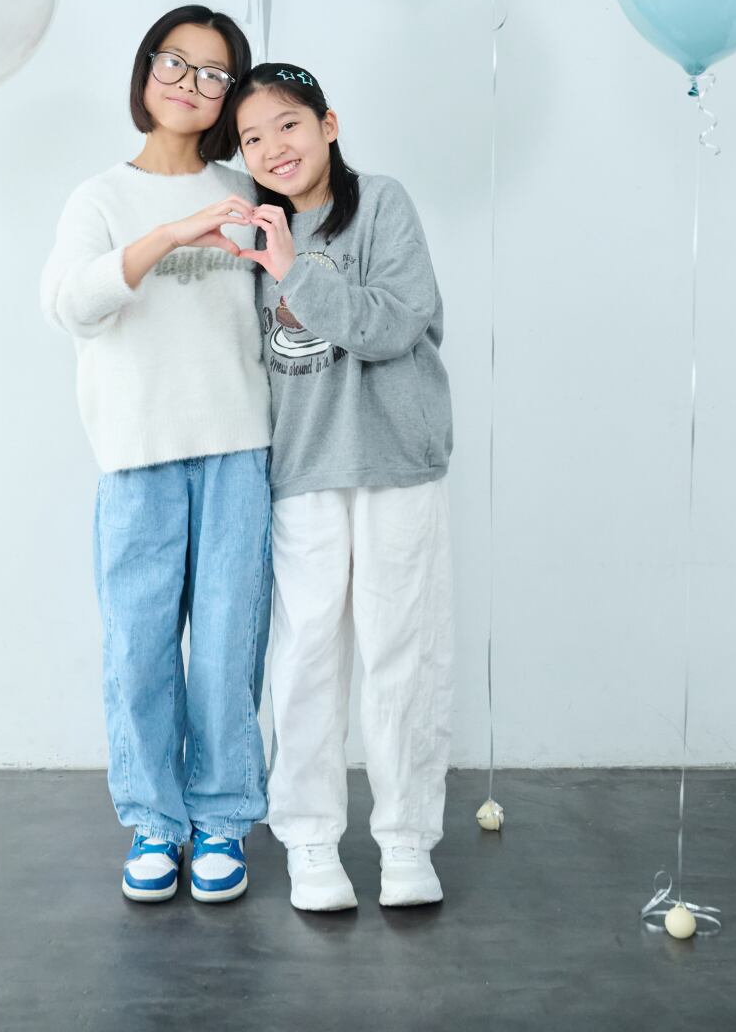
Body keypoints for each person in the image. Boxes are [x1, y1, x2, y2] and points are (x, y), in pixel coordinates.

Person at [40, 6, 272, 904]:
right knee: (138, 651)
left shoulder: (247, 191)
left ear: (228, 95)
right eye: (175, 63)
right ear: (146, 71)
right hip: (136, 457)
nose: (191, 84)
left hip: (236, 451)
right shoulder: (99, 199)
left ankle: (221, 818)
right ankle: (154, 821)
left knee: (225, 649)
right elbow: (70, 305)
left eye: (214, 74)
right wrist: (171, 235)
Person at [234, 60, 454, 911]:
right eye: (253, 138)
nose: (273, 148)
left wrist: (297, 272)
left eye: (289, 124)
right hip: (303, 470)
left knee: (404, 654)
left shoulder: (383, 205)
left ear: (328, 125)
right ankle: (310, 839)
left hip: (397, 460)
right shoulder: (251, 232)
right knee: (305, 660)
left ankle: (405, 840)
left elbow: (396, 321)